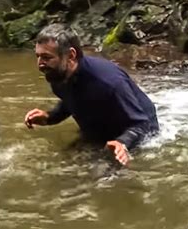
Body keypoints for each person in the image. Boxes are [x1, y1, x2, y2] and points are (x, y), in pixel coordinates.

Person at [24, 23, 159, 166]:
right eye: (38, 56)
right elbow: (73, 99)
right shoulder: (56, 73)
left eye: (46, 57)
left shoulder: (110, 82)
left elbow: (143, 124)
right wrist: (50, 117)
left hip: (134, 134)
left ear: (71, 55)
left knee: (98, 180)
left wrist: (123, 143)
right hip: (99, 129)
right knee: (56, 164)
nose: (40, 64)